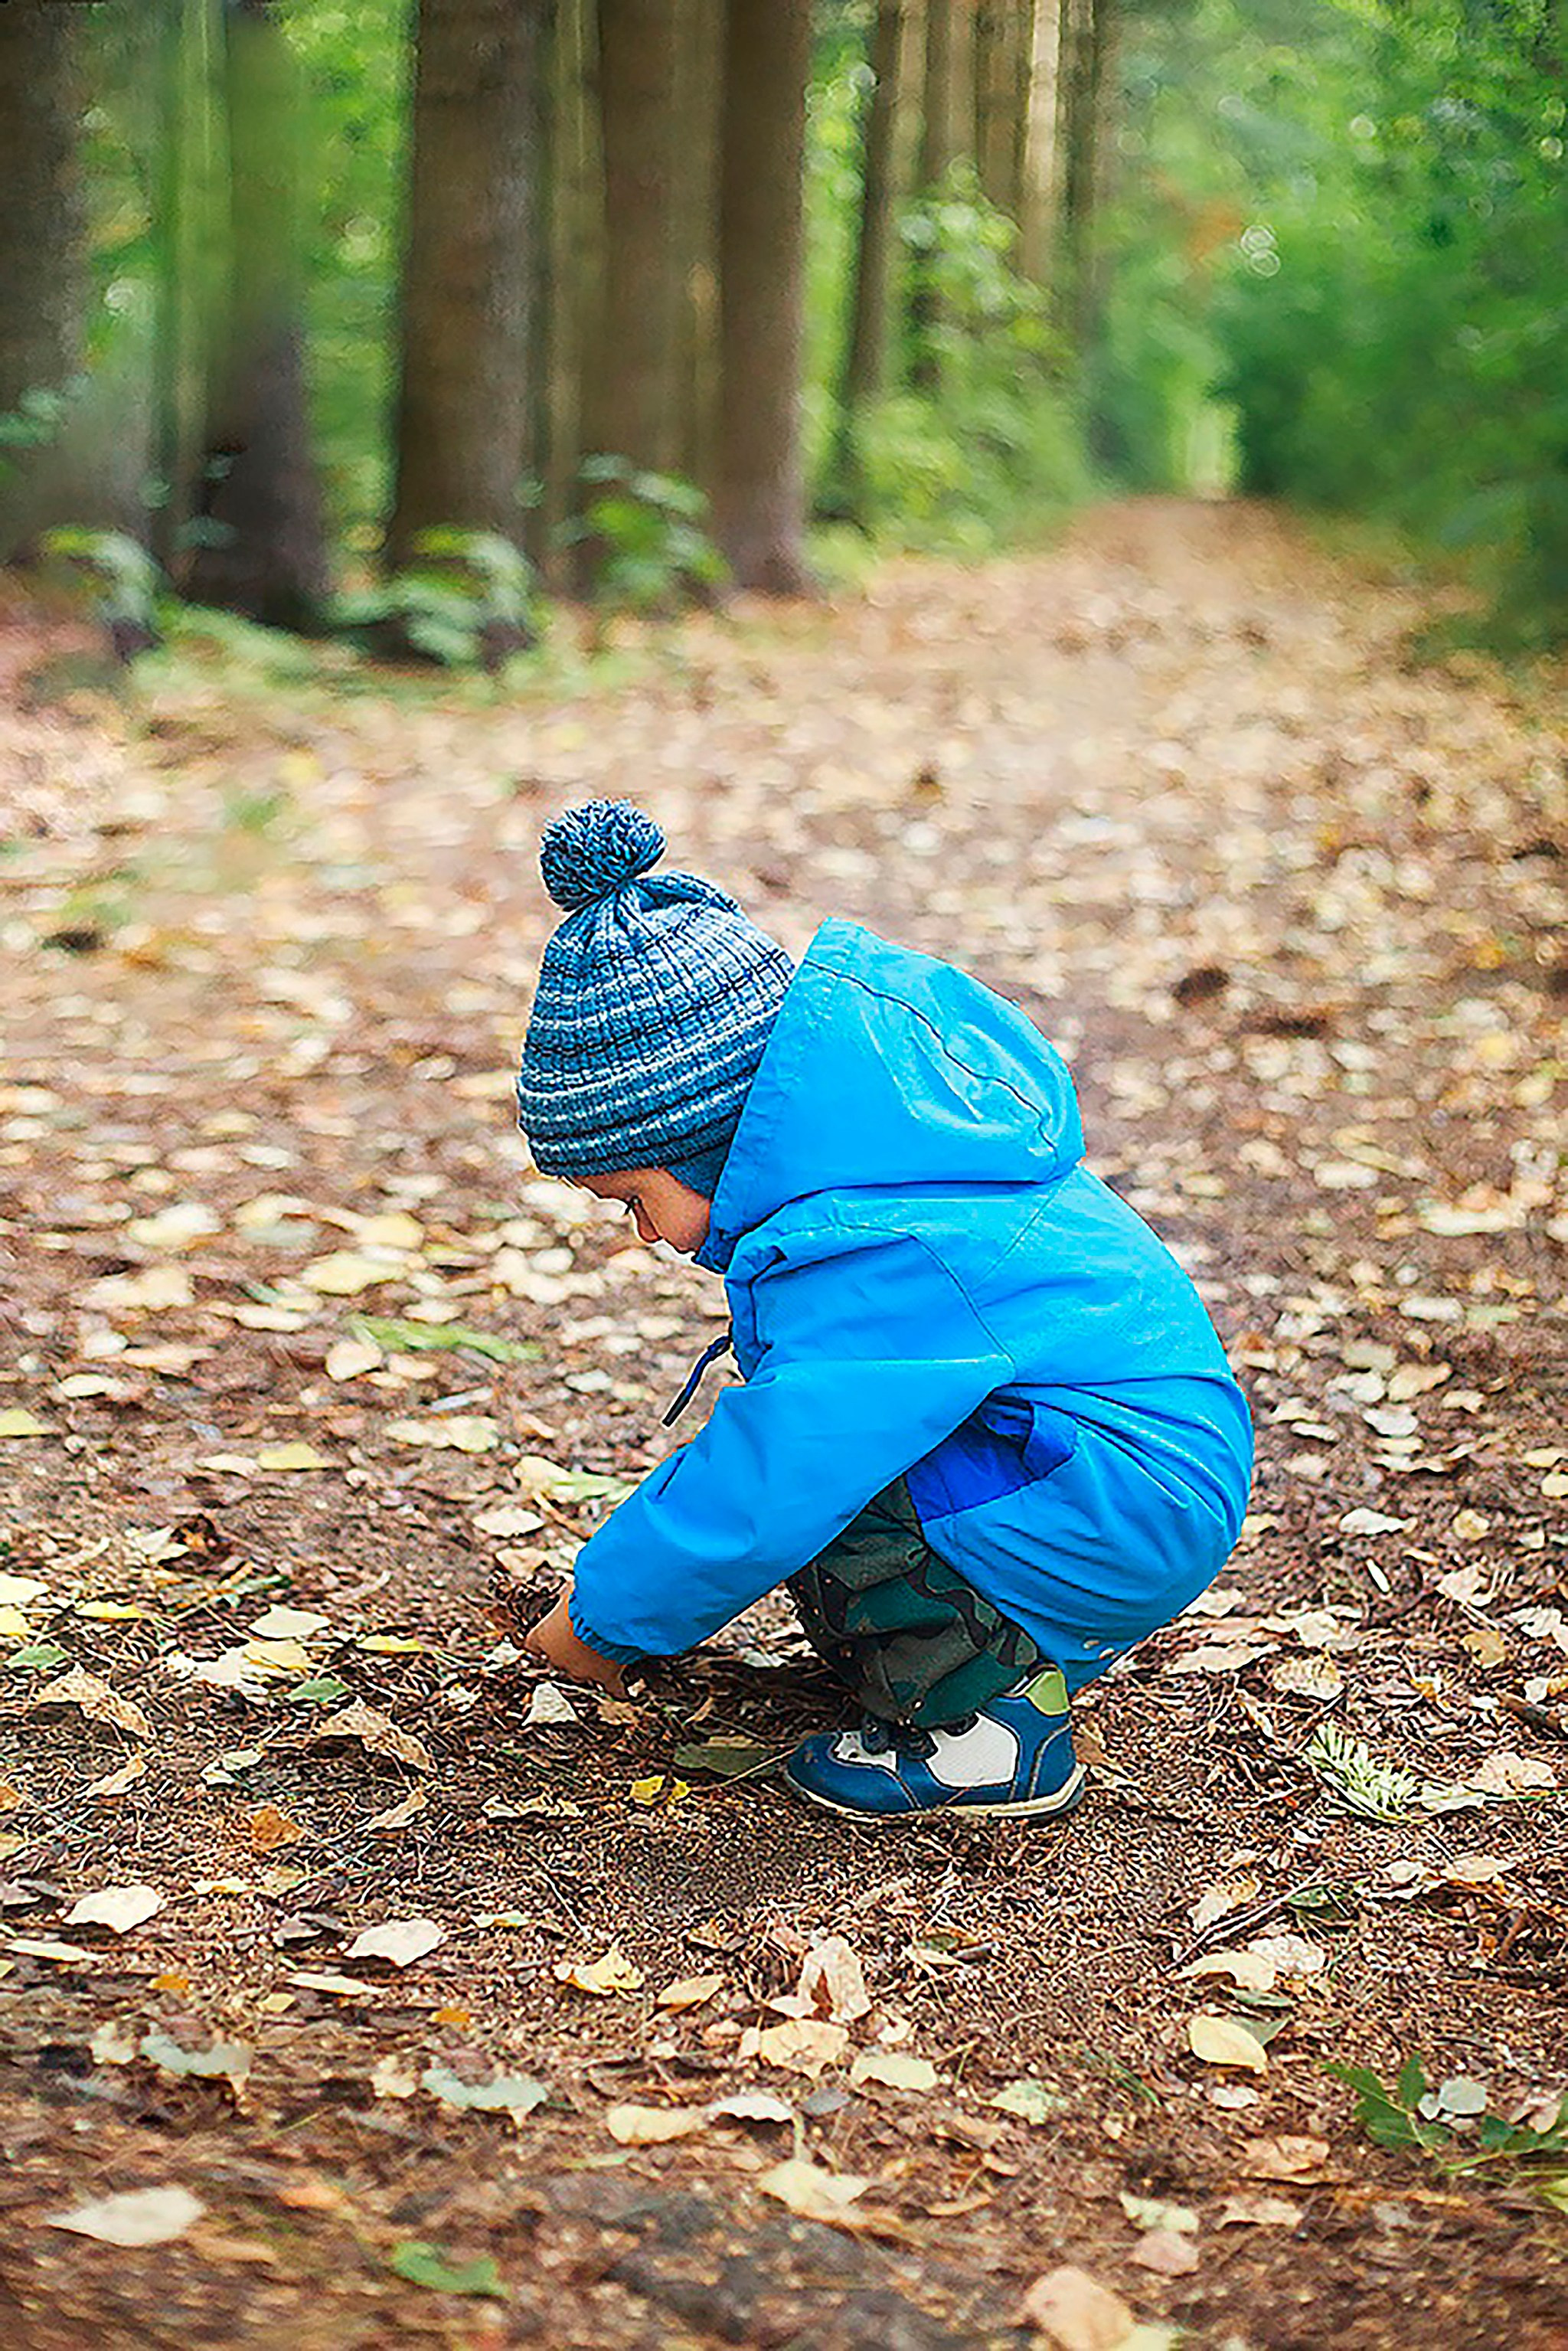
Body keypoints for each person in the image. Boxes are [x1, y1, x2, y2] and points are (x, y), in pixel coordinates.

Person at [514, 799, 1253, 1823]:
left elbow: (769, 1476)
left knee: (816, 1471)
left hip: (1122, 1497)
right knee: (827, 1460)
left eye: (634, 1198)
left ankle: (989, 1732)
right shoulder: (877, 1167)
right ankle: (976, 1641)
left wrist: (593, 1627)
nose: (641, 1232)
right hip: (1106, 1474)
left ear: (703, 1136)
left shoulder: (886, 1245)